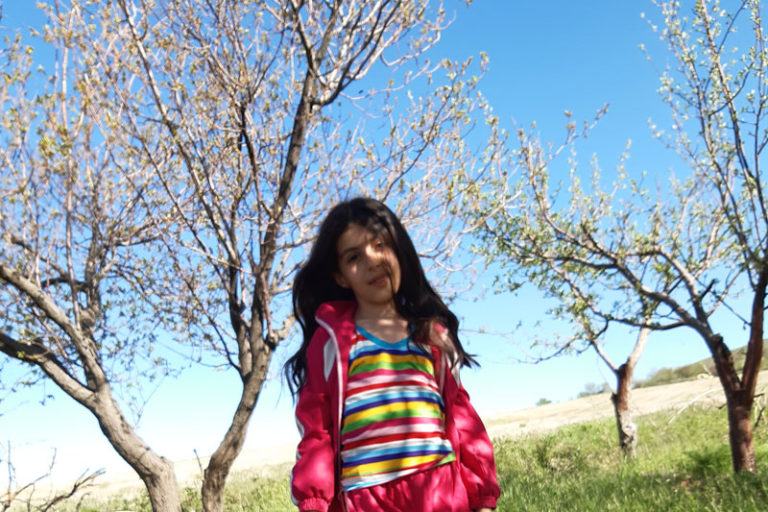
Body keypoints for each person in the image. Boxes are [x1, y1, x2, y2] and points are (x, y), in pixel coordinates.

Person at [285, 197, 500, 512]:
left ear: (398, 249)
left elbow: (462, 417)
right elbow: (317, 431)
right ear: (341, 276)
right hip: (366, 499)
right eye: (354, 257)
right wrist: (314, 501)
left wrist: (482, 496)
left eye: (379, 245)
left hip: (439, 491)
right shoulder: (331, 342)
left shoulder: (431, 337)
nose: (372, 261)